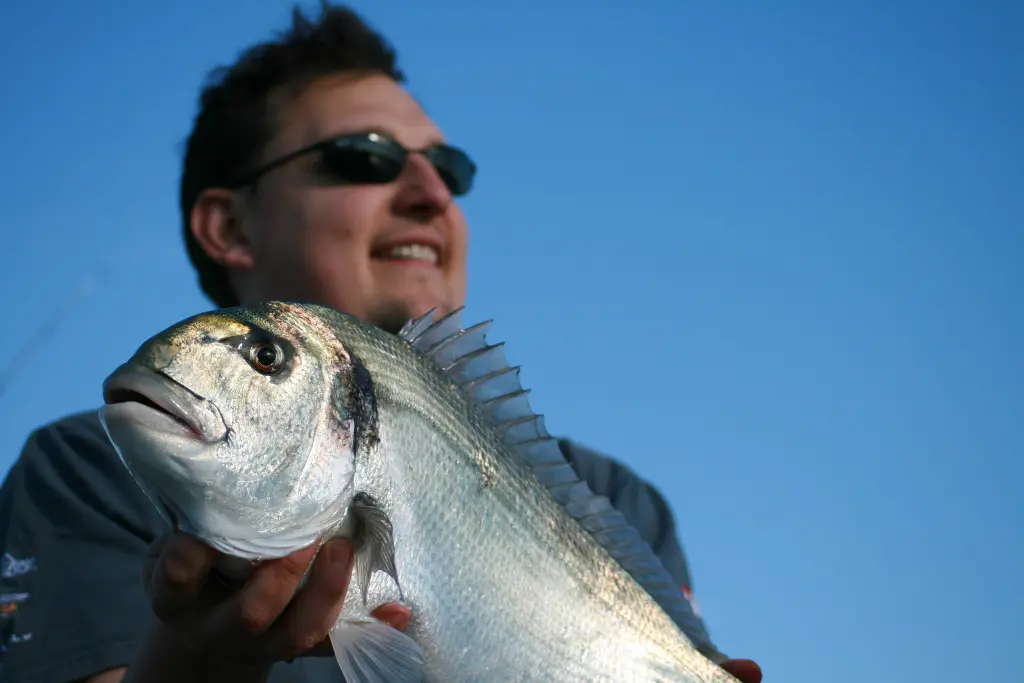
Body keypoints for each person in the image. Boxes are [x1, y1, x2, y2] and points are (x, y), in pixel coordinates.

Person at [0, 4, 763, 683]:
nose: (433, 192)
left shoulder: (618, 495)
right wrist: (193, 667)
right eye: (365, 156)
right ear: (229, 226)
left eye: (451, 170)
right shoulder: (85, 470)